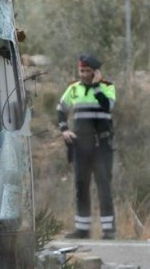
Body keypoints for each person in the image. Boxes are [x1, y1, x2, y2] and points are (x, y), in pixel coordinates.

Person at [57, 54, 116, 239]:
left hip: (101, 145)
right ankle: (82, 229)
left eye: (87, 71)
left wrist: (97, 86)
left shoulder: (107, 87)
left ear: (96, 72)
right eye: (81, 70)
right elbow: (61, 109)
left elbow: (107, 106)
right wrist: (64, 129)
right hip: (81, 146)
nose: (83, 74)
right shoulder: (73, 89)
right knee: (81, 185)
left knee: (103, 185)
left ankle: (109, 230)